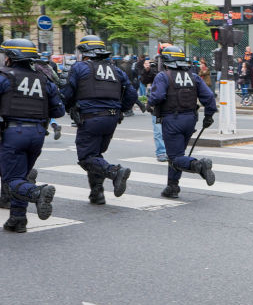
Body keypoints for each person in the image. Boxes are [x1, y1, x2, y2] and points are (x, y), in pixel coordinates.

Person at [61, 36, 137, 205]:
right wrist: (121, 109)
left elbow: (67, 92)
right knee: (96, 156)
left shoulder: (80, 67)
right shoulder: (116, 70)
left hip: (90, 118)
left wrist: (66, 108)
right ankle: (97, 193)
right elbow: (132, 94)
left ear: (85, 53)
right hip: (111, 119)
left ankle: (114, 172)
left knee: (87, 158)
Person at [0, 39, 65, 232]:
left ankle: (37, 192)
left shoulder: (4, 77)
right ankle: (18, 220)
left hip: (12, 133)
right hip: (37, 134)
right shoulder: (44, 80)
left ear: (11, 58)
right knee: (22, 176)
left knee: (12, 180)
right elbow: (59, 111)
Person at [147, 45, 218, 199]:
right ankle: (172, 187)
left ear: (166, 61)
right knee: (178, 154)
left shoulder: (163, 76)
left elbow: (157, 96)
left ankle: (198, 165)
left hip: (172, 119)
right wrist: (209, 115)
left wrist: (149, 101)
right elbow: (209, 97)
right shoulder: (193, 76)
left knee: (174, 157)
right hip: (190, 119)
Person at [139, 54, 168, 162]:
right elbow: (144, 80)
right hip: (157, 105)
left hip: (170, 105)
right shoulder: (154, 69)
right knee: (158, 130)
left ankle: (170, 151)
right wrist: (147, 70)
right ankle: (161, 152)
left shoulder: (176, 69)